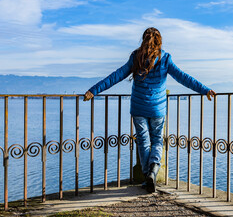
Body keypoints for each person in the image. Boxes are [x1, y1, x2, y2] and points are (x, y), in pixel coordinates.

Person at [84, 27, 216, 193]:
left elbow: (115, 76)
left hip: (139, 107)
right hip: (157, 109)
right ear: (159, 41)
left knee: (144, 142)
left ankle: (148, 176)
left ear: (143, 40)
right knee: (157, 141)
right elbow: (184, 78)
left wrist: (93, 91)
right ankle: (153, 170)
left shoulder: (136, 58)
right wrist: (204, 90)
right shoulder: (165, 58)